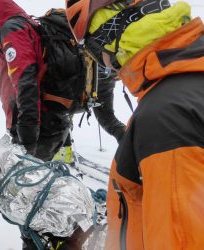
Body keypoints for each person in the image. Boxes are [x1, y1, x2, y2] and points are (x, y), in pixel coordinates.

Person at [66, 0, 204, 249]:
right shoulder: (187, 83)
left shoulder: (167, 117)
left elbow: (180, 240)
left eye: (97, 53)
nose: (106, 66)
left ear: (117, 32)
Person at [0, 0, 72, 163]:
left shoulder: (13, 29)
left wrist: (27, 142)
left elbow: (26, 84)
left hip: (36, 129)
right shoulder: (25, 24)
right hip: (45, 124)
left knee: (27, 185)